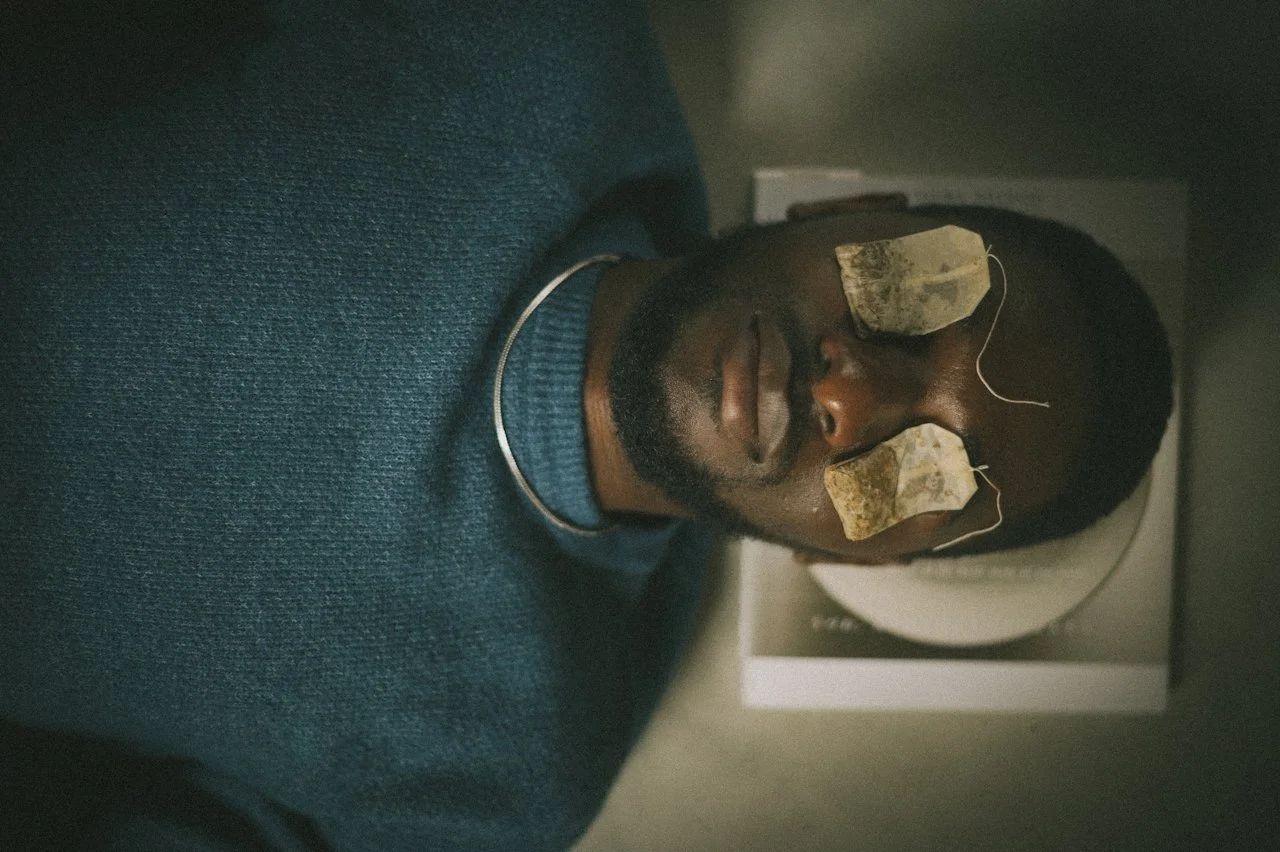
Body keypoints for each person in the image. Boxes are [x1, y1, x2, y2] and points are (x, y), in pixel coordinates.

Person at [0, 1, 1171, 850]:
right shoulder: (529, 42)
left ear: (846, 556)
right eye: (913, 295)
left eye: (923, 472)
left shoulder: (505, 781)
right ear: (840, 209)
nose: (851, 394)